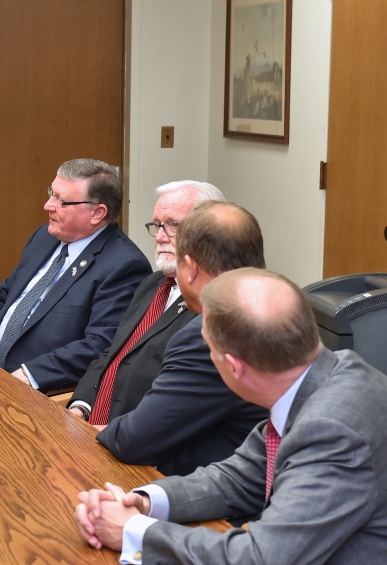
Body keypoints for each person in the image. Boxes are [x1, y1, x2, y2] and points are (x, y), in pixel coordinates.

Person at [74, 267, 387, 565]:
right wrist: (143, 502)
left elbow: (263, 561)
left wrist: (135, 533)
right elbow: (239, 478)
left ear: (233, 366)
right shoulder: (322, 376)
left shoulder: (331, 428)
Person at [0, 158, 151, 393]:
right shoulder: (46, 237)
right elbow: (7, 297)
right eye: (52, 193)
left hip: (38, 395)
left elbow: (100, 345)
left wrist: (31, 374)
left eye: (61, 201)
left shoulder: (125, 266)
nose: (48, 205)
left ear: (97, 213)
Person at [90, 201, 269, 476]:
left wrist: (90, 433)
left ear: (191, 268)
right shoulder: (269, 307)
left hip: (208, 494)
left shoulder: (209, 334)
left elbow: (135, 439)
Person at [68, 181, 224, 424]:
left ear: (210, 231)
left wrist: (109, 433)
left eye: (173, 225)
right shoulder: (153, 283)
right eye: (157, 225)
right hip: (93, 426)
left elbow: (178, 406)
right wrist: (81, 406)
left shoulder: (213, 303)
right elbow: (114, 351)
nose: (160, 237)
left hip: (137, 442)